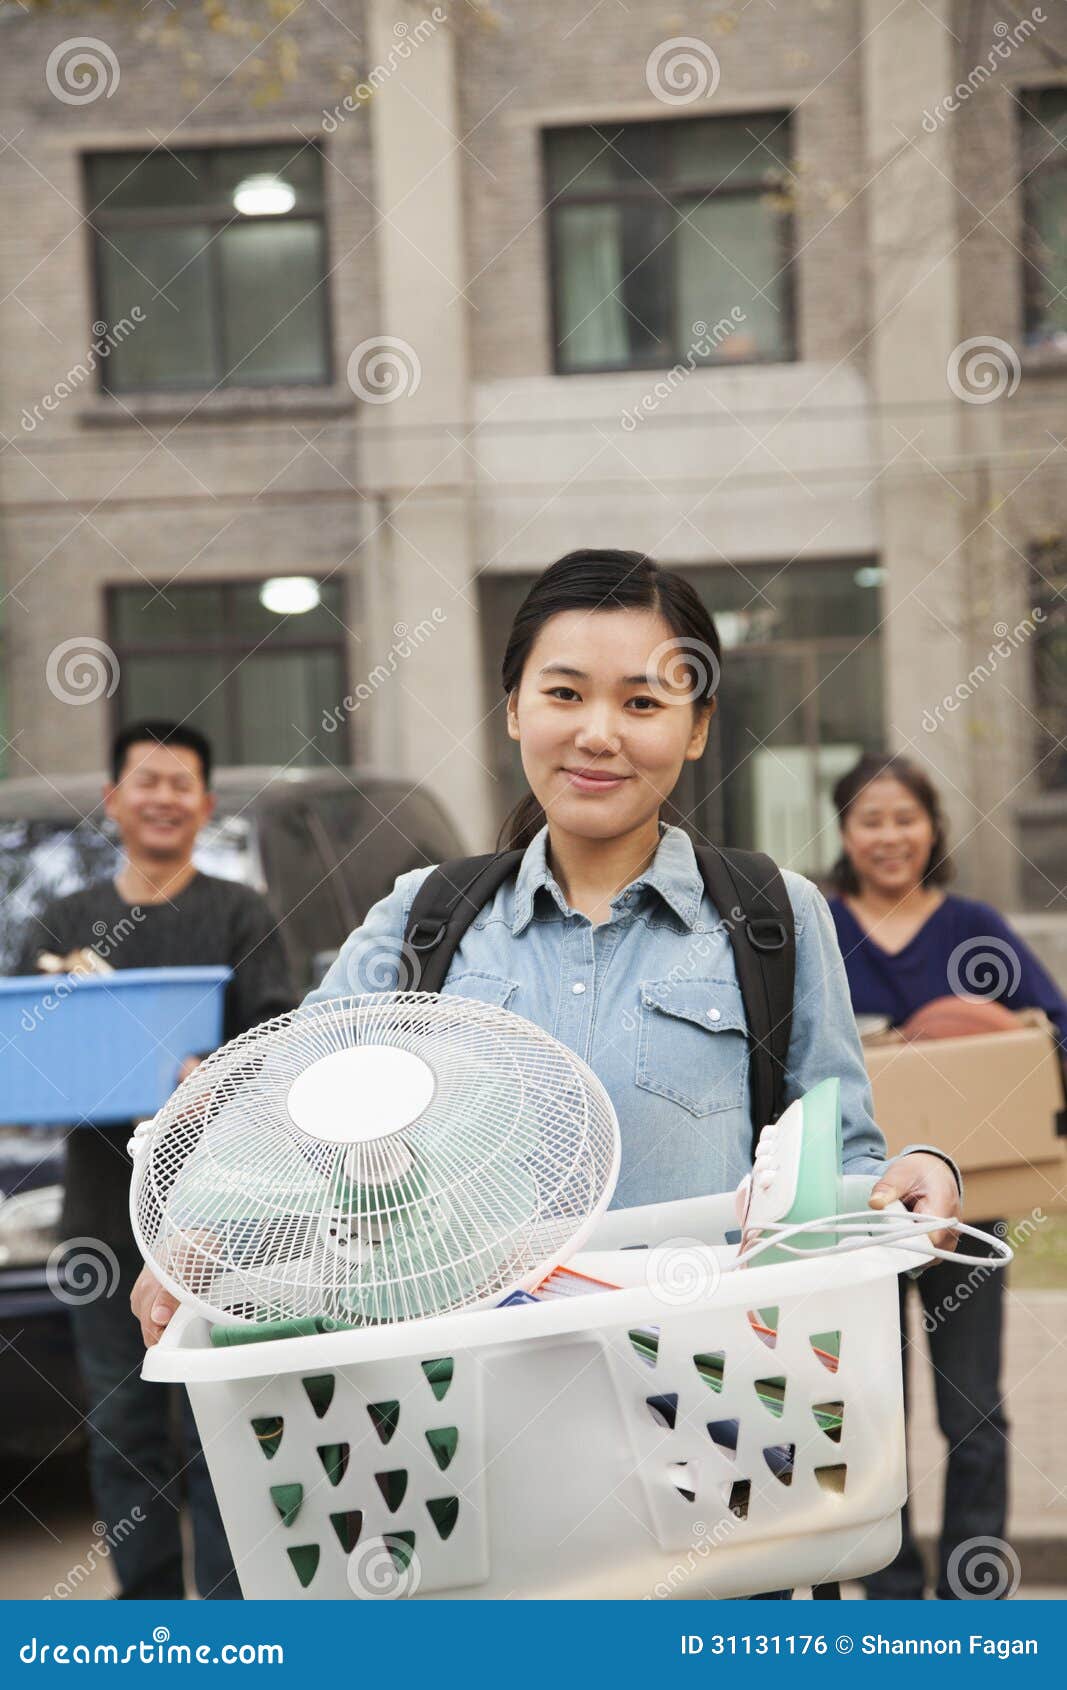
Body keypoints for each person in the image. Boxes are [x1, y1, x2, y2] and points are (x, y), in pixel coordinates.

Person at [131, 551, 963, 1595]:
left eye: (643, 700)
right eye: (563, 692)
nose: (598, 731)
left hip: (706, 1460)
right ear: (514, 709)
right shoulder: (422, 923)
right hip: (456, 1470)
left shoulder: (770, 918)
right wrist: (195, 1231)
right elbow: (283, 1106)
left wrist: (913, 1177)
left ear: (695, 726)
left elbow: (836, 1159)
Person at [18, 721, 295, 1600]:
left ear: (205, 805)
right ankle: (145, 1616)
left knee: (221, 1422)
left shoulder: (240, 913)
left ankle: (230, 1611)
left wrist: (216, 1074)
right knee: (122, 1425)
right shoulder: (65, 924)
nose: (164, 797)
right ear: (114, 802)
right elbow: (34, 1051)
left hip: (228, 1223)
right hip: (102, 1218)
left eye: (182, 783)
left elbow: (279, 1045)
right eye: (147, 781)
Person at [826, 751, 1067, 1601]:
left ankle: (974, 1601)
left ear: (930, 827)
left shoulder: (972, 927)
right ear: (843, 831)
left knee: (973, 1416)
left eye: (904, 817)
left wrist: (996, 1036)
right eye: (869, 819)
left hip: (969, 1209)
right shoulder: (818, 928)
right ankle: (891, 1596)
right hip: (853, 1212)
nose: (889, 836)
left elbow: (1051, 1034)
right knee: (869, 1416)